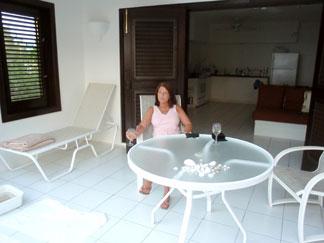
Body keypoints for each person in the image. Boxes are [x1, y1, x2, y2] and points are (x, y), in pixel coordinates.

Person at [126, 82, 192, 209]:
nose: (162, 95)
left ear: (170, 95)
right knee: (160, 153)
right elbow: (142, 125)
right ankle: (158, 186)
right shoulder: (152, 109)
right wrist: (135, 133)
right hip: (157, 143)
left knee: (167, 155)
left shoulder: (176, 109)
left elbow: (188, 123)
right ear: (156, 94)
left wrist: (185, 132)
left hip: (175, 142)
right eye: (160, 92)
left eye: (165, 93)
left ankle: (161, 189)